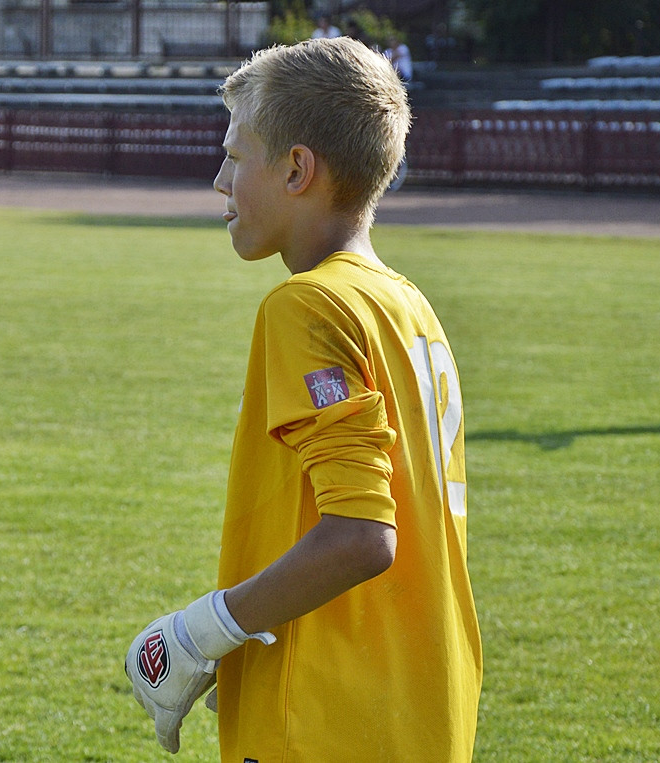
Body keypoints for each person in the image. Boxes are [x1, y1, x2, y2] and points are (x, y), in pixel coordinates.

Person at [124, 37, 482, 760]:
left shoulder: (307, 305)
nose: (220, 180)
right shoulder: (408, 304)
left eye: (236, 153)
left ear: (297, 168)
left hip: (324, 719)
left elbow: (361, 534)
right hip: (419, 706)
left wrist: (202, 631)